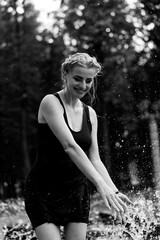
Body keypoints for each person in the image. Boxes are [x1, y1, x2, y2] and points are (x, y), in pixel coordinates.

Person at [24, 53, 132, 240]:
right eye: (77, 78)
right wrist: (99, 185)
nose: (83, 86)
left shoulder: (90, 114)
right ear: (65, 74)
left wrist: (113, 191)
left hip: (76, 193)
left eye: (88, 80)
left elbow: (95, 158)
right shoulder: (50, 102)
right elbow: (70, 146)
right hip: (43, 191)